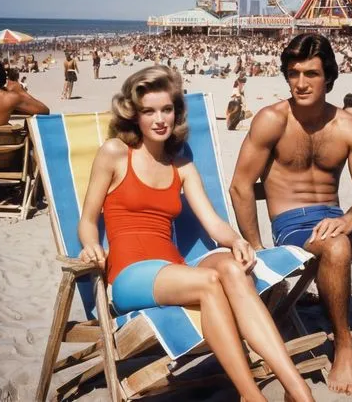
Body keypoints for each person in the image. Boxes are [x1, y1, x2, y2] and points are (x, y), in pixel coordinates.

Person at [78, 65, 314, 402]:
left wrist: (235, 240)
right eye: (149, 111)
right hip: (130, 274)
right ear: (134, 116)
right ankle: (253, 396)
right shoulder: (116, 153)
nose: (160, 119)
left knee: (232, 268)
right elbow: (88, 220)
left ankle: (299, 391)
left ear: (176, 111)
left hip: (173, 270)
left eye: (166, 109)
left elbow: (212, 221)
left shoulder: (181, 163)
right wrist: (89, 245)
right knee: (209, 282)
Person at [230, 33, 352, 396]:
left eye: (311, 73)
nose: (301, 83)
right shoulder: (271, 120)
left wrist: (349, 219)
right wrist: (257, 247)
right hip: (292, 225)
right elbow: (240, 186)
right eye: (293, 74)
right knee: (336, 247)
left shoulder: (350, 127)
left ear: (329, 77)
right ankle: (343, 347)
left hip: (337, 220)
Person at [0, 60, 49, 125]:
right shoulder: (10, 98)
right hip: (2, 135)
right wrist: (20, 91)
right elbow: (44, 110)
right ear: (1, 76)